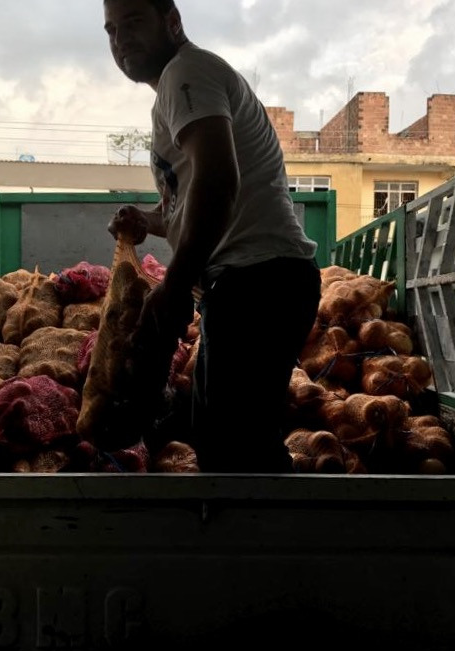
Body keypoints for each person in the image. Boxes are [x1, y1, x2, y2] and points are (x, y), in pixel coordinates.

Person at [102, 0, 321, 473]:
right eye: (111, 31)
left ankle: (282, 541)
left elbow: (220, 180)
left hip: (260, 283)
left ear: (171, 19)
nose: (121, 40)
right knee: (228, 443)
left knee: (234, 454)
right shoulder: (178, 89)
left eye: (133, 22)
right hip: (254, 284)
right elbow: (193, 202)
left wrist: (174, 287)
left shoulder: (187, 74)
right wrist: (149, 220)